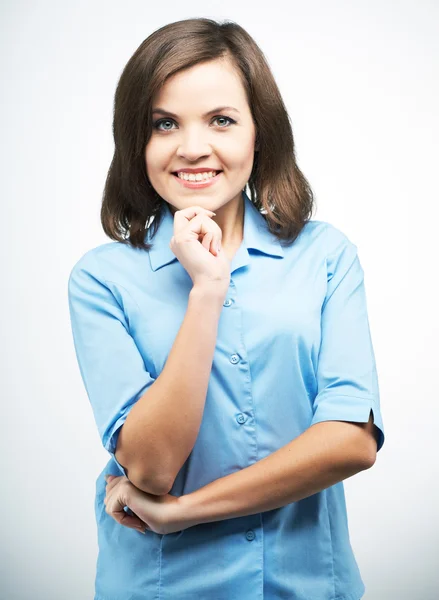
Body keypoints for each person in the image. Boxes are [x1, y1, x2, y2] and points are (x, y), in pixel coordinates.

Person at [67, 17, 385, 600]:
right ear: (137, 141)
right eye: (164, 123)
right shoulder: (101, 279)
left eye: (221, 120)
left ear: (259, 132)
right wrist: (207, 289)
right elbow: (151, 467)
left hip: (308, 582)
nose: (192, 147)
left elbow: (352, 440)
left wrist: (185, 511)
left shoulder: (325, 256)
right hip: (164, 586)